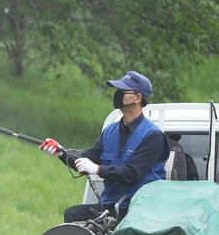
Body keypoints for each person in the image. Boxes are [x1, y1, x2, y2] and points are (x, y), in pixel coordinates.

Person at [39, 70, 169, 223]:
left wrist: (97, 169)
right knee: (73, 214)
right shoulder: (110, 132)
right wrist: (62, 153)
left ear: (138, 97)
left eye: (122, 91)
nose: (117, 95)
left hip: (140, 212)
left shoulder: (153, 136)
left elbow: (131, 173)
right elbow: (87, 158)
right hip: (111, 207)